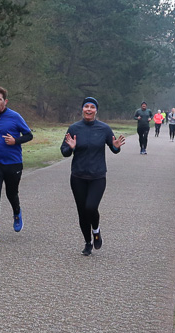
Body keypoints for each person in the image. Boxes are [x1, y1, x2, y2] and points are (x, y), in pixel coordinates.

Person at [60, 97, 126, 256]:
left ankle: (96, 230)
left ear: (96, 110)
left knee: (91, 207)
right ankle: (88, 242)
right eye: (86, 107)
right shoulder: (74, 128)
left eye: (92, 107)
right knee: (82, 212)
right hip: (78, 177)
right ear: (82, 109)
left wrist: (116, 147)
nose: (89, 110)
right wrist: (71, 148)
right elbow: (64, 152)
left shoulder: (104, 129)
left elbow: (114, 148)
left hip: (97, 177)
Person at [0, 86, 33, 242]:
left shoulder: (15, 117)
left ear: (5, 101)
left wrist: (16, 140)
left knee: (11, 194)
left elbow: (29, 135)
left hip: (13, 163)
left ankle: (17, 212)